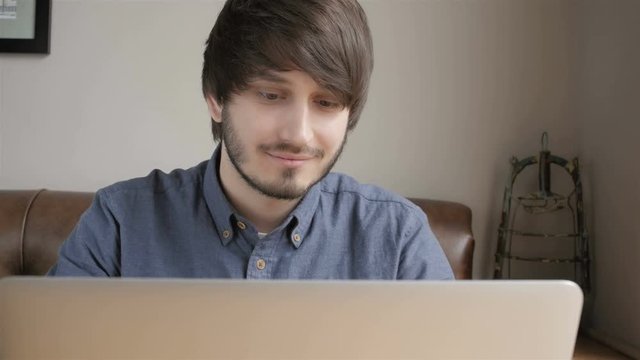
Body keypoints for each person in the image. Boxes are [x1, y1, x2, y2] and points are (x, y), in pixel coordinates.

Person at [48, 0, 453, 279]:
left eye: (326, 102)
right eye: (271, 95)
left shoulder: (399, 238)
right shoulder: (120, 223)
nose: (298, 134)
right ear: (215, 99)